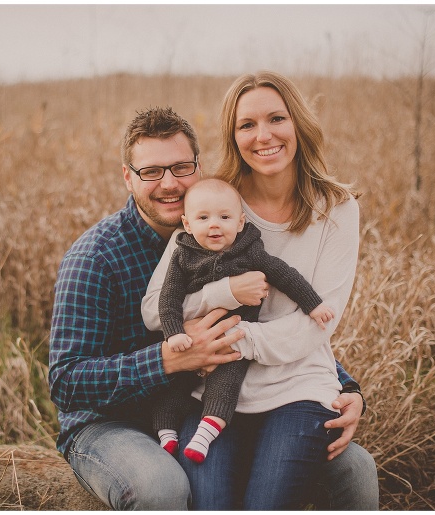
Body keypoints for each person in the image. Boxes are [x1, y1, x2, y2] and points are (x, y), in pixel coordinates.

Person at [48, 105, 378, 510]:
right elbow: (65, 382)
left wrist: (346, 387)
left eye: (181, 167)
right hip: (114, 423)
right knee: (161, 486)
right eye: (151, 171)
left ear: (199, 168)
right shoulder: (96, 258)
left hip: (204, 404)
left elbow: (265, 321)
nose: (169, 183)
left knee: (355, 468)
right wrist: (167, 361)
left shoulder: (219, 233)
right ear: (127, 177)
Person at [141, 71, 372, 509]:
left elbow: (317, 324)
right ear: (234, 137)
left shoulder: (337, 210)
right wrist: (226, 291)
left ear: (298, 123)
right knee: (211, 503)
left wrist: (236, 338)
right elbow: (156, 308)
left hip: (298, 389)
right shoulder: (216, 202)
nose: (263, 136)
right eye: (247, 124)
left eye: (276, 119)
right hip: (211, 393)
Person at [153, 177, 335, 464]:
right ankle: (167, 434)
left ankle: (204, 436)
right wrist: (175, 333)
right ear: (187, 224)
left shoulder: (249, 251)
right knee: (174, 386)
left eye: (224, 218)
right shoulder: (183, 256)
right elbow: (168, 299)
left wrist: (313, 304)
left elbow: (283, 274)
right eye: (203, 218)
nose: (214, 225)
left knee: (225, 386)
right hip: (193, 340)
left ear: (240, 223)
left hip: (234, 342)